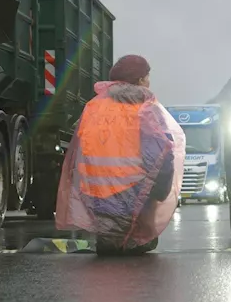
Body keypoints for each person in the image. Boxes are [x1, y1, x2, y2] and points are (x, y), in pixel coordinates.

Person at [54, 55, 184, 255]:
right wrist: (161, 191)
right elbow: (162, 154)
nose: (149, 82)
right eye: (147, 77)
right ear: (140, 80)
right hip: (136, 194)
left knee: (109, 245)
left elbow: (78, 151)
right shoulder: (146, 109)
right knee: (137, 245)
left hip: (95, 191)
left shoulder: (93, 107)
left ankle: (110, 242)